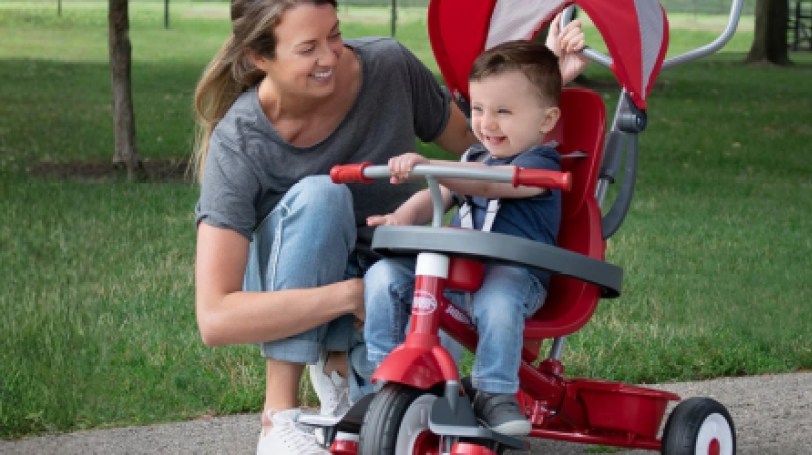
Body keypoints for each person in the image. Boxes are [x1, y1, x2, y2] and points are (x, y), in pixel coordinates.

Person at [191, 0, 586, 452]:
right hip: (314, 288)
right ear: (260, 58)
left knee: (405, 420)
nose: (330, 56)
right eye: (308, 48)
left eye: (335, 35)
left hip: (401, 271)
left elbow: (483, 145)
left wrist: (546, 81)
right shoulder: (240, 140)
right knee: (323, 193)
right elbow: (215, 319)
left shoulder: (388, 66)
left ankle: (352, 373)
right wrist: (349, 294)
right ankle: (279, 416)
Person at [363, 40, 564, 437]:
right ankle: (386, 379)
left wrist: (431, 166)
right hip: (460, 276)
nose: (487, 123)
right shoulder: (474, 159)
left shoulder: (540, 164)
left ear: (546, 120)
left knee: (497, 300)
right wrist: (401, 217)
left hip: (514, 277)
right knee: (383, 275)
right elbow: (437, 194)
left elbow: (487, 186)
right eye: (478, 109)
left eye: (503, 112)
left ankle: (494, 391)